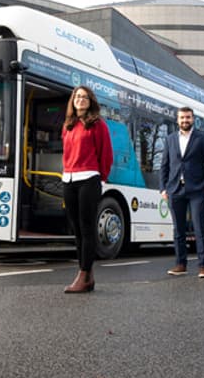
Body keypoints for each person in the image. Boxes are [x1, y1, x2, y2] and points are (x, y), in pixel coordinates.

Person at [61, 86, 113, 293]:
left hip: (89, 178)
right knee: (76, 229)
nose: (80, 100)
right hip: (69, 178)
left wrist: (102, 178)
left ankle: (83, 275)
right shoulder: (68, 126)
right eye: (77, 97)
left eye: (85, 97)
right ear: (72, 101)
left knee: (87, 227)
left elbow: (106, 154)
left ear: (91, 101)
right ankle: (88, 276)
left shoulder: (98, 125)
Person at [160, 106, 204, 279]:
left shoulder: (202, 138)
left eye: (188, 118)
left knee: (200, 229)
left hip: (197, 190)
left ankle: (203, 266)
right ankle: (180, 264)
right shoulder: (170, 139)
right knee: (178, 230)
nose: (185, 120)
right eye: (182, 118)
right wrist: (163, 188)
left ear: (193, 119)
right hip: (175, 189)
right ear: (177, 120)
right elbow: (164, 165)